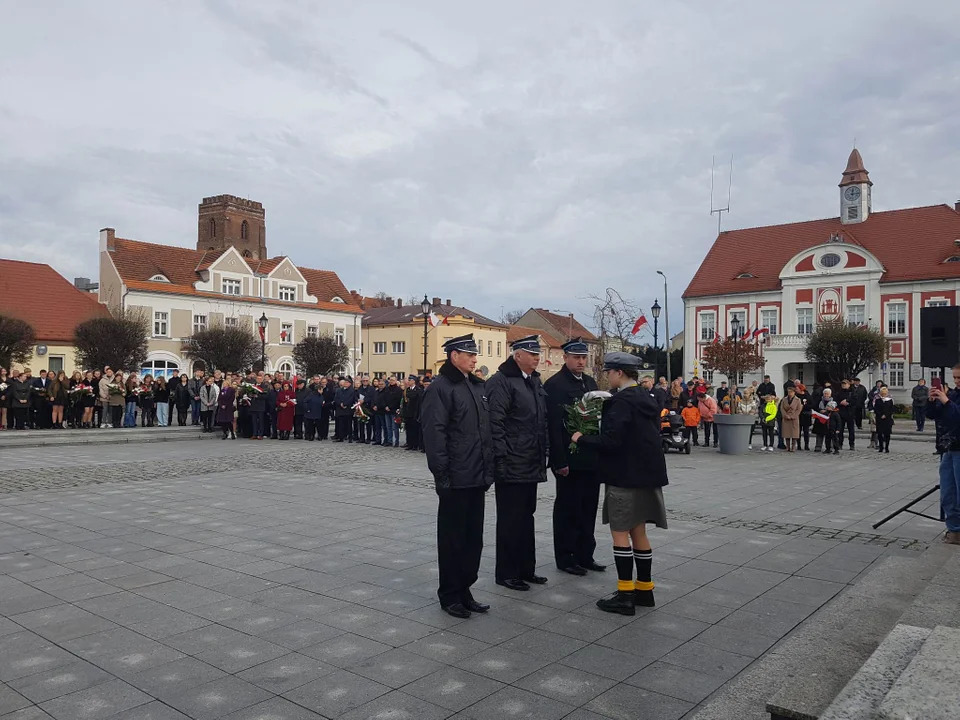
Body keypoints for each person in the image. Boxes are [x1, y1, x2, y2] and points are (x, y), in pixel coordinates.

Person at [571, 352, 669, 616]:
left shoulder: (621, 402)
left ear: (620, 374)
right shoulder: (647, 398)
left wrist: (581, 438)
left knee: (620, 533)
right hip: (647, 476)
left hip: (624, 476)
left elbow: (612, 441)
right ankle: (645, 590)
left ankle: (625, 594)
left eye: (610, 373)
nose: (607, 377)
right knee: (639, 532)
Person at [420, 333, 493, 619]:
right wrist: (442, 476)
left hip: (477, 475)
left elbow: (483, 432)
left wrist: (489, 469)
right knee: (452, 539)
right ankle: (450, 594)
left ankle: (465, 589)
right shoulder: (441, 387)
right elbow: (435, 435)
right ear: (454, 356)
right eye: (469, 354)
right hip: (456, 476)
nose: (475, 358)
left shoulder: (475, 386)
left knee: (473, 539)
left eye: (475, 354)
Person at [487, 335, 548, 592]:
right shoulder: (501, 382)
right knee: (511, 519)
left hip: (530, 460)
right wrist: (500, 459)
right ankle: (507, 572)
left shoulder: (533, 381)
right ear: (517, 355)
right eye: (532, 354)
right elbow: (496, 424)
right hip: (512, 461)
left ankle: (526, 568)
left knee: (527, 517)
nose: (536, 358)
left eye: (538, 354)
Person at [544, 337, 604, 577]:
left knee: (588, 509)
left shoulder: (589, 382)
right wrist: (559, 461)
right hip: (569, 458)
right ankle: (566, 557)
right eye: (576, 357)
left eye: (583, 358)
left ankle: (585, 554)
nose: (581, 362)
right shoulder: (555, 385)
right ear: (566, 358)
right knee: (568, 510)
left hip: (590, 457)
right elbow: (554, 426)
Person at [926, 364, 960, 544]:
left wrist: (946, 401)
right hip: (948, 447)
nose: (956, 381)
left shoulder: (951, 398)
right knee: (947, 493)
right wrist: (932, 400)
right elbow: (934, 415)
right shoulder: (953, 394)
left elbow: (957, 415)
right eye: (954, 377)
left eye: (959, 378)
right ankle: (954, 531)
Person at [402, 376, 423, 450]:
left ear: (414, 381)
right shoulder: (406, 390)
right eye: (409, 380)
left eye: (410, 380)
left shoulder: (418, 390)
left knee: (415, 430)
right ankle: (409, 443)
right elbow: (404, 403)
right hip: (408, 413)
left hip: (414, 412)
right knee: (409, 429)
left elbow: (417, 401)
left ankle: (415, 444)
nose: (409, 381)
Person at [835, 380, 857, 450]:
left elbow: (855, 402)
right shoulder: (839, 392)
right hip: (841, 413)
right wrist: (840, 403)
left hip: (850, 413)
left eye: (845, 384)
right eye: (842, 384)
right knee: (840, 430)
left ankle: (851, 444)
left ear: (848, 385)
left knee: (851, 430)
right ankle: (840, 443)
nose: (843, 385)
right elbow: (835, 401)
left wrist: (848, 403)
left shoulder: (852, 392)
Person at [380, 376, 402, 447]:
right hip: (386, 410)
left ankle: (396, 441)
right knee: (388, 426)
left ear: (396, 381)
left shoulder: (398, 390)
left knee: (395, 427)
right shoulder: (386, 389)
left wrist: (390, 407)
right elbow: (383, 398)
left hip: (394, 410)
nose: (391, 381)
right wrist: (385, 406)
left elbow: (398, 400)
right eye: (390, 380)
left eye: (393, 380)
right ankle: (389, 441)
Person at [334, 377, 357, 442]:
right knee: (340, 424)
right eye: (345, 382)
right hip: (340, 409)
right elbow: (336, 398)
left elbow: (351, 399)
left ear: (350, 383)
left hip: (348, 409)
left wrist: (344, 404)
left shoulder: (352, 391)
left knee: (348, 424)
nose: (345, 384)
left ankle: (350, 437)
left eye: (347, 382)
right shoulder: (339, 390)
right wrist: (340, 404)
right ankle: (341, 437)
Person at [779, 386, 802, 452]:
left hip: (794, 419)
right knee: (787, 433)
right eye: (788, 392)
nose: (790, 393)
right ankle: (788, 446)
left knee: (794, 434)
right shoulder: (784, 399)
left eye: (791, 392)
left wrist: (792, 416)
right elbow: (782, 408)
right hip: (786, 418)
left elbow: (798, 409)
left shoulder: (798, 400)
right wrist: (785, 415)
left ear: (794, 392)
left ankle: (793, 446)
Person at [873, 386, 895, 453]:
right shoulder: (878, 400)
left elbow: (891, 409)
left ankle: (887, 447)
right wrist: (880, 415)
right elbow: (876, 409)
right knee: (880, 433)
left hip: (887, 419)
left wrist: (886, 415)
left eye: (885, 393)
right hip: (879, 419)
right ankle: (881, 447)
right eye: (882, 393)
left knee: (887, 433)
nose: (883, 394)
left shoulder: (890, 400)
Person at [795, 382, 812, 451]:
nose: (796, 390)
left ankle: (806, 445)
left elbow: (812, 405)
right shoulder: (795, 396)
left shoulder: (808, 396)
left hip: (806, 416)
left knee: (806, 432)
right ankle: (798, 445)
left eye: (797, 389)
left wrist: (804, 406)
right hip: (798, 416)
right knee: (798, 432)